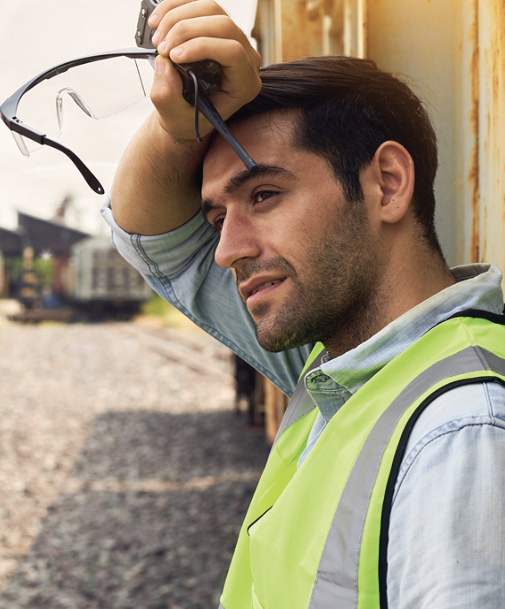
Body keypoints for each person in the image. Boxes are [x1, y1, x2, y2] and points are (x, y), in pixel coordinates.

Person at [100, 0, 505, 607]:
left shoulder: (459, 429)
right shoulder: (342, 371)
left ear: (386, 184)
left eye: (263, 195)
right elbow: (149, 235)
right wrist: (175, 129)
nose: (226, 250)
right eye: (217, 217)